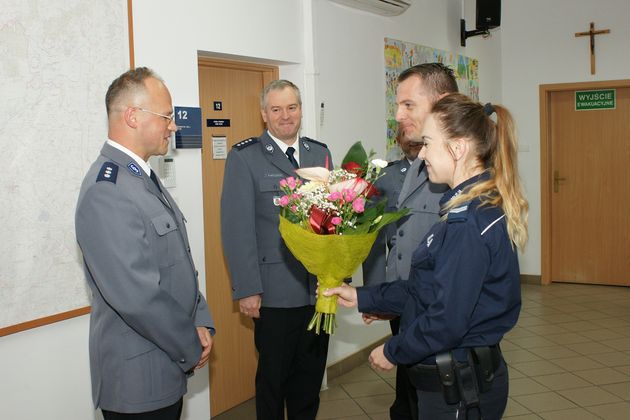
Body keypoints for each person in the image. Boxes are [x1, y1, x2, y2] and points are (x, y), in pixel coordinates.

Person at [324, 93, 528, 420]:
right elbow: (426, 288)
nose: (422, 154)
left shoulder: (467, 223)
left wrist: (394, 350)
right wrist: (362, 296)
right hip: (460, 380)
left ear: (458, 149)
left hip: (460, 389)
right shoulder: (468, 207)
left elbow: (447, 317)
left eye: (428, 143)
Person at [75, 67, 215, 420]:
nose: (174, 125)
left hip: (164, 364)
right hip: (138, 380)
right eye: (166, 116)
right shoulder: (107, 190)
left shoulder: (140, 177)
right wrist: (189, 342)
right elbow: (137, 296)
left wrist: (201, 320)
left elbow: (179, 264)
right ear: (133, 116)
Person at [220, 79, 333, 419]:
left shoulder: (319, 153)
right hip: (273, 293)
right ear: (263, 115)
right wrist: (248, 289)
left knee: (309, 382)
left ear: (301, 110)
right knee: (273, 382)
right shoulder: (245, 158)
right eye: (277, 109)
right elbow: (236, 230)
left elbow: (335, 218)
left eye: (292, 107)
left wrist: (334, 275)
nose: (286, 116)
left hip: (318, 292)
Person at [362, 63, 458, 420]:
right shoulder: (419, 163)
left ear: (442, 102)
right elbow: (390, 240)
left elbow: (455, 289)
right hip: (411, 301)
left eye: (408, 105)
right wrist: (372, 295)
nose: (398, 115)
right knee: (410, 397)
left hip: (439, 319)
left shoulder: (465, 171)